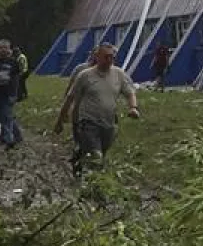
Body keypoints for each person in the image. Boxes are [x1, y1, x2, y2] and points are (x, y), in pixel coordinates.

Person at [54, 43, 139, 174]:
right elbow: (70, 98)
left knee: (100, 154)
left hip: (109, 123)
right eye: (106, 57)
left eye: (112, 57)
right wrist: (60, 120)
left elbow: (130, 92)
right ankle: (93, 184)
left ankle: (80, 158)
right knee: (96, 156)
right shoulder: (84, 75)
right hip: (88, 122)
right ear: (97, 57)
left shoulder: (119, 74)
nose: (109, 60)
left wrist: (133, 107)